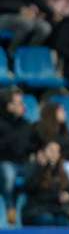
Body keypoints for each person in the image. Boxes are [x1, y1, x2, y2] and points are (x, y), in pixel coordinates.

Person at [21, 140, 69, 227]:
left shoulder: (62, 172)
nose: (54, 153)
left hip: (57, 210)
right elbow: (29, 188)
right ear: (43, 152)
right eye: (51, 150)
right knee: (47, 219)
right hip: (36, 210)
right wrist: (41, 167)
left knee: (64, 221)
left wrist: (68, 196)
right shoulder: (33, 167)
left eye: (57, 151)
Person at [31, 100, 69, 186]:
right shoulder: (38, 128)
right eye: (61, 111)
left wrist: (63, 154)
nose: (65, 113)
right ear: (52, 113)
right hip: (46, 163)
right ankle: (65, 193)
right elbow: (37, 148)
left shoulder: (64, 129)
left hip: (65, 160)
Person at [0, 88, 32, 225]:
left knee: (38, 172)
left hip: (24, 162)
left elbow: (32, 145)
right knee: (9, 175)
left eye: (22, 103)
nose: (23, 106)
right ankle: (10, 208)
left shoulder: (26, 124)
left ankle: (29, 210)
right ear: (9, 106)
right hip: (6, 161)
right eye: (19, 103)